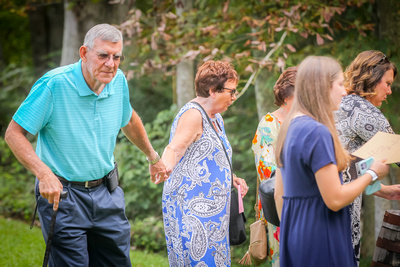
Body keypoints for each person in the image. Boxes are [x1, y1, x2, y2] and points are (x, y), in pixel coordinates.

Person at [4, 23, 168, 266]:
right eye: (103, 55)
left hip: (107, 193)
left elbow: (129, 119)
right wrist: (44, 174)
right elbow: (14, 133)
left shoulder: (118, 80)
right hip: (64, 195)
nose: (110, 64)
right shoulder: (54, 85)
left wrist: (153, 158)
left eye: (116, 57)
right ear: (84, 53)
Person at [274, 56, 389, 267]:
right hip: (322, 235)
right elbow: (335, 199)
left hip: (295, 235)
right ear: (322, 87)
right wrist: (372, 173)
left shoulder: (288, 126)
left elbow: (279, 195)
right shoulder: (317, 132)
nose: (345, 92)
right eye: (339, 85)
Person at [161, 60, 249, 266]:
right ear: (212, 91)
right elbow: (175, 148)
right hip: (192, 210)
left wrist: (232, 178)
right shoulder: (193, 114)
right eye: (231, 92)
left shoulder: (217, 117)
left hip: (215, 213)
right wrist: (162, 167)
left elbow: (209, 159)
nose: (234, 97)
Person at [335, 50, 400, 263]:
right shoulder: (360, 109)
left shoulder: (344, 104)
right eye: (387, 83)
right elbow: (397, 151)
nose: (389, 91)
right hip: (340, 204)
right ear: (372, 78)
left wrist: (383, 191)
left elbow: (351, 164)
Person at [251, 66, 297, 266]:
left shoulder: (307, 120)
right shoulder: (269, 123)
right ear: (287, 95)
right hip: (280, 204)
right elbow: (267, 170)